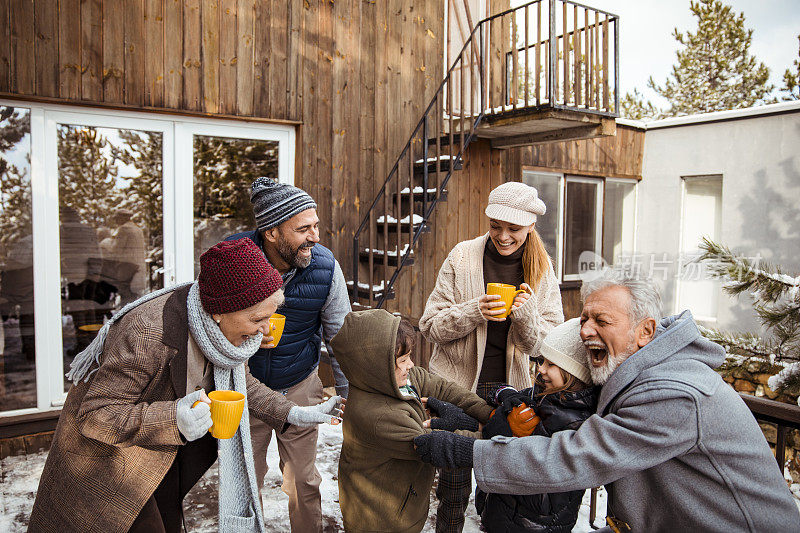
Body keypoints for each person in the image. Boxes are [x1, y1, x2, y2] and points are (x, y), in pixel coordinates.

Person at [415, 271, 800, 532]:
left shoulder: (673, 393)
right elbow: (530, 407)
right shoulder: (629, 374)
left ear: (645, 331)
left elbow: (577, 455)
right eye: (583, 319)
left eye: (601, 320)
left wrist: (469, 451)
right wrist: (466, 418)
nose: (584, 331)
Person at [28, 238, 343, 533]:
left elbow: (241, 384)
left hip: (161, 454)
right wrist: (173, 417)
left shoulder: (226, 335)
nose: (264, 330)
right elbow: (95, 415)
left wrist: (296, 413)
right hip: (107, 464)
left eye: (270, 317)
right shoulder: (148, 331)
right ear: (219, 311)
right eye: (257, 319)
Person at [419, 181, 564, 532]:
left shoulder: (542, 271)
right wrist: (473, 311)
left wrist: (526, 316)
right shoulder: (462, 256)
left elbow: (550, 349)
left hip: (509, 398)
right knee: (452, 491)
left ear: (531, 226)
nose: (503, 236)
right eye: (495, 226)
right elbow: (429, 326)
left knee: (499, 489)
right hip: (457, 394)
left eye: (514, 229)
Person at [226, 177, 351, 533]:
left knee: (303, 481)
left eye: (316, 225)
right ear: (272, 232)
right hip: (244, 390)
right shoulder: (233, 260)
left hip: (299, 385)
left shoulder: (324, 266)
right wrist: (246, 338)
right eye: (303, 229)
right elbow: (207, 322)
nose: (315, 237)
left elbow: (339, 337)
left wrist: (347, 393)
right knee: (245, 483)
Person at [331, 310, 494, 533]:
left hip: (402, 505)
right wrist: (490, 433)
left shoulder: (392, 380)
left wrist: (490, 414)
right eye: (403, 360)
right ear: (379, 366)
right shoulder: (379, 416)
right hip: (381, 522)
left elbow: (443, 388)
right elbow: (439, 445)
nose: (411, 364)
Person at [473, 317, 598, 533]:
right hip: (506, 514)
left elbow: (531, 478)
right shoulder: (545, 395)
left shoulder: (571, 422)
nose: (540, 369)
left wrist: (510, 436)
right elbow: (501, 392)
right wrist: (507, 396)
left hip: (532, 524)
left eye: (551, 364)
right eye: (541, 361)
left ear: (574, 373)